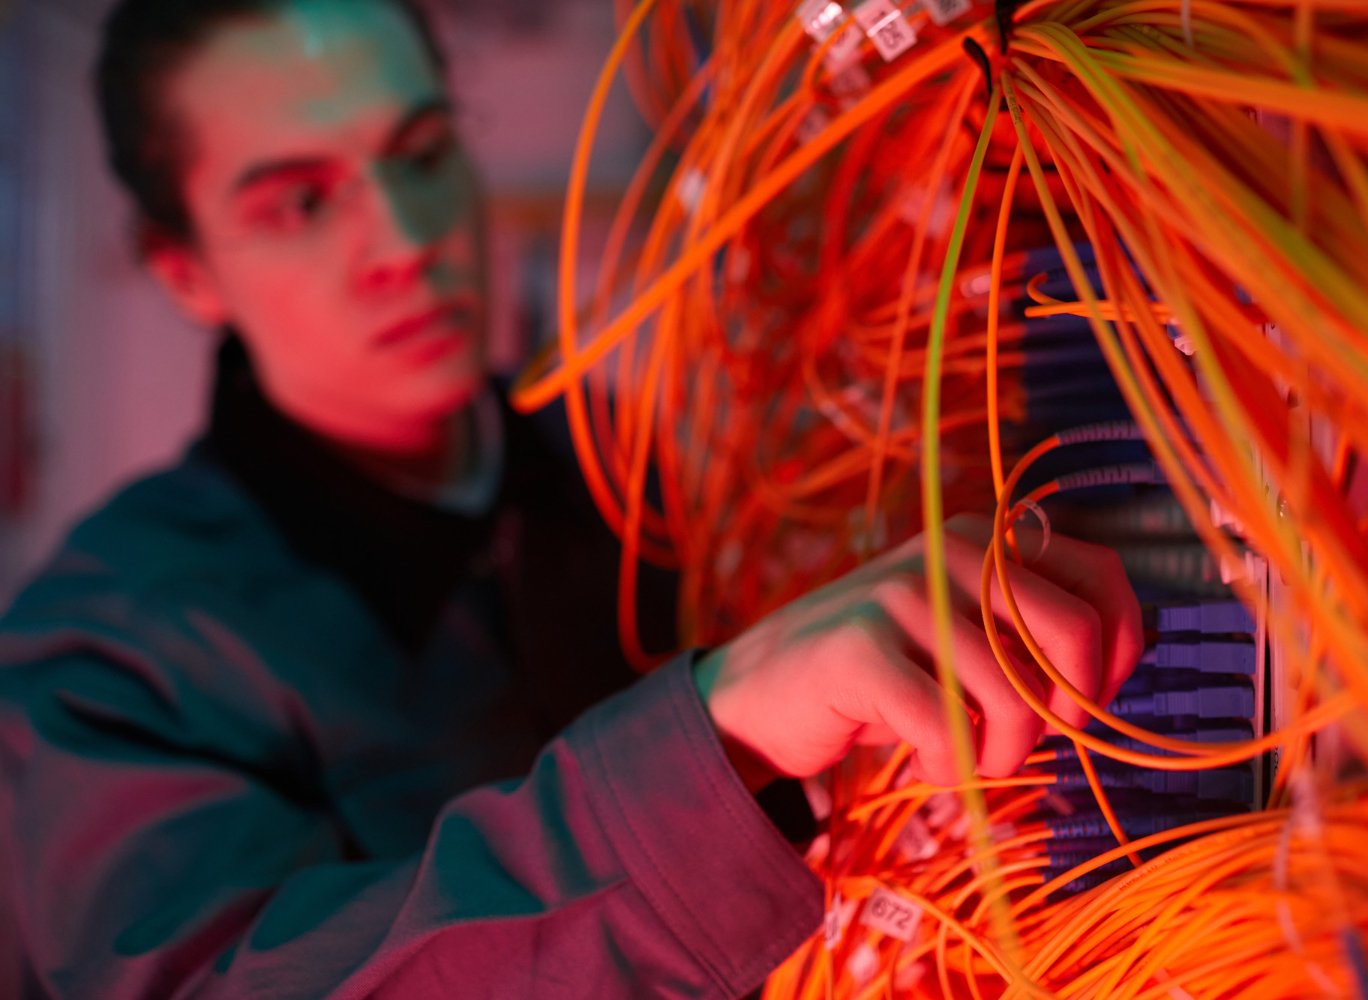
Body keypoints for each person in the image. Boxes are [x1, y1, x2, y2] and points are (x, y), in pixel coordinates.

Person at [0, 0, 1143, 996]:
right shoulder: (102, 657)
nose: (405, 240)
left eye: (422, 151)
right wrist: (720, 731)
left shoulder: (647, 472)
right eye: (300, 203)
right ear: (183, 267)